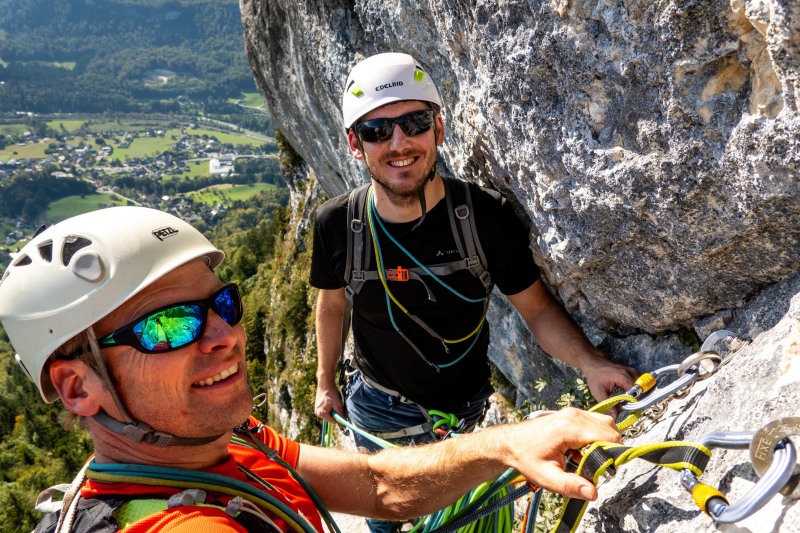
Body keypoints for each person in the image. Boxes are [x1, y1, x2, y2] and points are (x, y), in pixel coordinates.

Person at [0, 206, 620, 532]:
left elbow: (379, 486)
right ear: (78, 387)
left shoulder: (221, 443)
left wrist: (507, 443)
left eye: (223, 303)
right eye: (168, 326)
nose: (224, 336)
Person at [311, 53, 637, 448]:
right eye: (377, 130)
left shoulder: (485, 217)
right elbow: (332, 305)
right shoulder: (337, 224)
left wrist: (591, 362)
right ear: (355, 143)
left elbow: (536, 308)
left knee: (465, 513)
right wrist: (325, 383)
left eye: (414, 124)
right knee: (386, 510)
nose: (399, 143)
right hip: (379, 407)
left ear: (439, 130)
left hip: (464, 410)